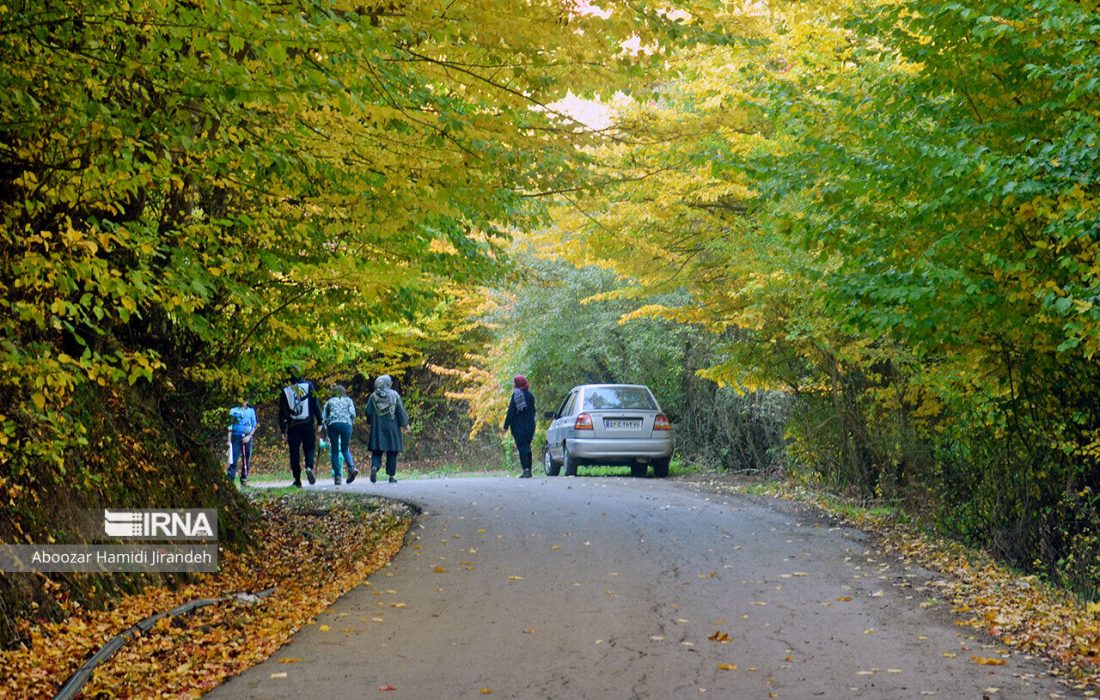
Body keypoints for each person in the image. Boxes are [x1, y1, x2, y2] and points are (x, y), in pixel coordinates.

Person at [278, 366, 323, 487]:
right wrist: (320, 421)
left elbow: (282, 411)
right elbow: (315, 403)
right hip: (307, 423)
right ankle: (309, 467)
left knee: (294, 452)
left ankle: (297, 479)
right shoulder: (308, 386)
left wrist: (283, 429)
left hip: (293, 426)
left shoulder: (286, 390)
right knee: (309, 447)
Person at [364, 374, 408, 483]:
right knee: (392, 452)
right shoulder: (395, 395)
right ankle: (391, 476)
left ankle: (375, 467)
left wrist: (370, 421)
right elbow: (400, 410)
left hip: (377, 427)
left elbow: (368, 411)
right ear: (387, 383)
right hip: (392, 427)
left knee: (377, 450)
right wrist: (405, 424)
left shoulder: (373, 396)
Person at [322, 384, 359, 485]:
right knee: (344, 448)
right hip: (346, 425)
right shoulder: (348, 400)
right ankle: (351, 467)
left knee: (334, 451)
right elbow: (352, 414)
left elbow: (324, 418)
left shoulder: (329, 402)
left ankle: (337, 476)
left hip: (333, 425)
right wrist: (350, 423)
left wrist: (325, 433)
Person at [503, 375, 537, 478]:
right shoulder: (530, 396)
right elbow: (533, 411)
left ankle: (526, 470)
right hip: (530, 425)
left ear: (518, 383)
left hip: (519, 426)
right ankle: (529, 470)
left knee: (522, 447)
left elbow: (511, 412)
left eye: (514, 382)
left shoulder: (516, 395)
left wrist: (505, 426)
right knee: (527, 446)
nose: (513, 384)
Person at [227, 398, 258, 485]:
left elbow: (254, 425)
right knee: (233, 459)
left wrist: (249, 436)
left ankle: (244, 479)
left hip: (247, 437)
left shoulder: (251, 411)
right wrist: (229, 440)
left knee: (246, 458)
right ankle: (230, 480)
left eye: (245, 400)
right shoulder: (233, 411)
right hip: (236, 436)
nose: (243, 402)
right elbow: (230, 426)